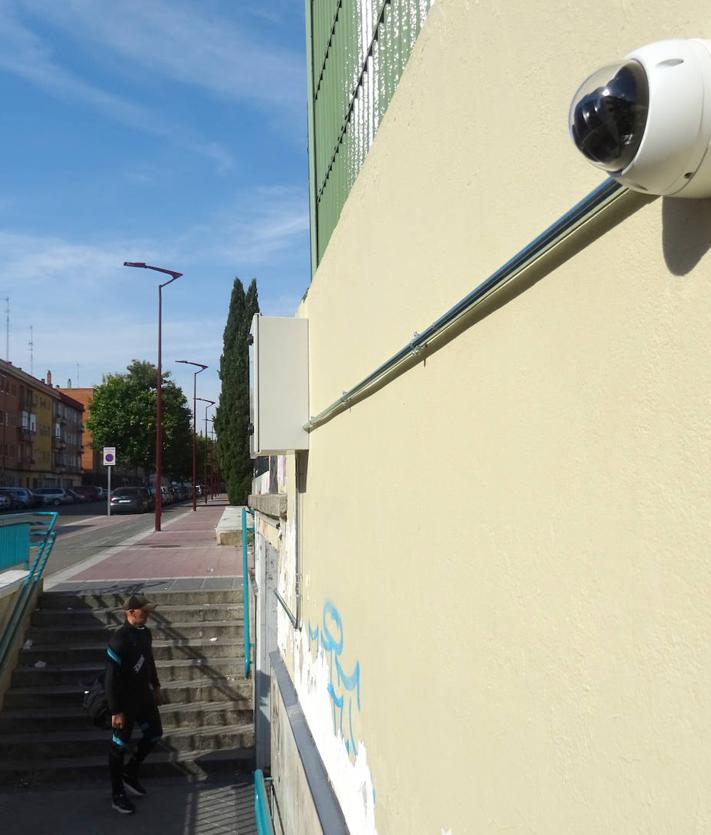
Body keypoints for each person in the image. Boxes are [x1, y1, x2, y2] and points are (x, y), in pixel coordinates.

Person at [105, 594, 164, 815]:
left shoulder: (145, 634)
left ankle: (130, 772)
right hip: (124, 703)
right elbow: (110, 679)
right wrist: (115, 710)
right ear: (131, 612)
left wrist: (156, 686)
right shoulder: (118, 640)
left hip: (144, 698)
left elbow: (149, 661)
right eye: (144, 611)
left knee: (155, 734)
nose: (148, 614)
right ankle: (117, 794)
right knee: (118, 746)